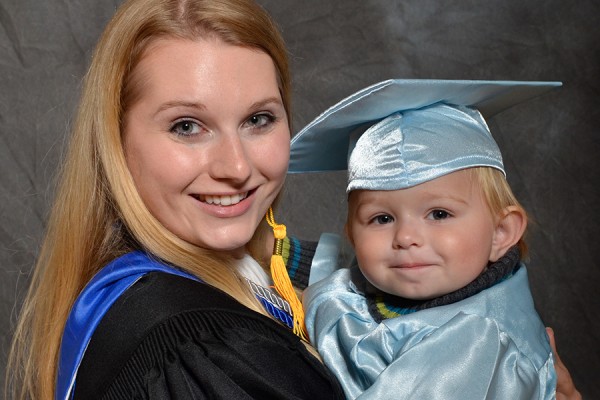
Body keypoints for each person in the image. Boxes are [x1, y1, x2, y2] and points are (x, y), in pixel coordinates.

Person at [4, 0, 580, 398]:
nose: (236, 168)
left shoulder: (224, 285)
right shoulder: (203, 352)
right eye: (186, 126)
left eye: (258, 119)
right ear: (116, 142)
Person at [290, 79, 562, 399]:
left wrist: (320, 302)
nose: (405, 237)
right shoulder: (415, 290)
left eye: (439, 214)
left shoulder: (477, 344)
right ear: (352, 234)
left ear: (500, 233)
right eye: (382, 219)